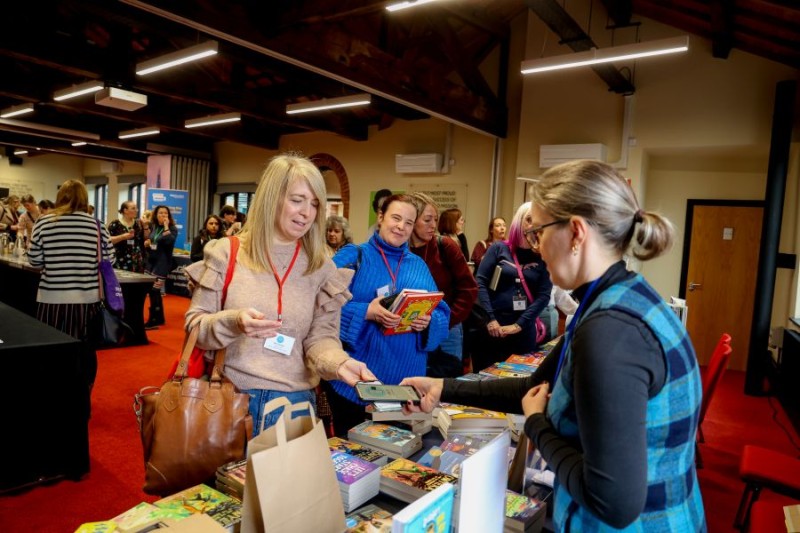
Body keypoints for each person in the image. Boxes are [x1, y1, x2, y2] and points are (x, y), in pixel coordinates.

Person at [402, 160, 705, 532]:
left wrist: (537, 425)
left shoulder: (609, 331)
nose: (537, 247)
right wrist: (442, 387)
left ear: (576, 232)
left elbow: (612, 502)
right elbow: (534, 388)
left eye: (538, 232)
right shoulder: (613, 297)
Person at [184, 153, 375, 436]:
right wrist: (234, 322)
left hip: (295, 406)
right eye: (297, 200)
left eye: (314, 204)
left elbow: (321, 339)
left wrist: (340, 363)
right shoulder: (226, 252)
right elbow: (195, 328)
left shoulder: (322, 267)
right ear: (271, 198)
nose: (307, 212)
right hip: (228, 401)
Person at [327, 193, 450, 436]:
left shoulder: (418, 265)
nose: (401, 227)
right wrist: (365, 311)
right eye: (396, 218)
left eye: (409, 222)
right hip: (356, 386)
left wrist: (428, 322)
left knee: (398, 455)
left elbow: (442, 315)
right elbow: (321, 307)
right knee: (353, 455)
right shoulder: (353, 256)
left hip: (405, 389)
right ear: (381, 217)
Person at [28, 180, 114, 410]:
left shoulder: (44, 222)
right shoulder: (97, 226)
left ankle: (53, 398)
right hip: (87, 302)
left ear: (60, 198)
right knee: (85, 351)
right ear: (85, 198)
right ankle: (82, 398)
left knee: (52, 350)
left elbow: (34, 260)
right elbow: (109, 261)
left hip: (51, 300)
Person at [472, 202, 552, 370]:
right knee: (484, 379)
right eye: (529, 219)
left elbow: (544, 295)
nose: (533, 225)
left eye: (539, 220)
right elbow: (480, 282)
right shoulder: (498, 249)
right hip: (492, 329)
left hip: (523, 330)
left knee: (518, 379)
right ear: (519, 221)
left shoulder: (544, 256)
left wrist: (518, 325)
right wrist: (491, 319)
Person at [408, 192, 477, 378]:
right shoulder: (399, 250)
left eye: (436, 219)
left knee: (446, 384)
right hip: (411, 329)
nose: (433, 225)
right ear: (411, 219)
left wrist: (446, 320)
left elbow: (469, 289)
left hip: (447, 329)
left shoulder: (445, 246)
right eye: (427, 220)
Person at [143, 205, 178, 328]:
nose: (163, 215)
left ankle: (155, 318)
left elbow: (169, 241)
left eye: (165, 213)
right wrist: (148, 243)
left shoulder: (172, 228)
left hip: (162, 263)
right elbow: (152, 240)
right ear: (156, 215)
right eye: (160, 213)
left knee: (155, 290)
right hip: (151, 261)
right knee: (151, 290)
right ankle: (159, 317)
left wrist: (166, 226)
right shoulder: (154, 227)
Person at [107, 201, 146, 272]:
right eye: (133, 208)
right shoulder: (115, 223)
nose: (136, 210)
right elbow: (108, 240)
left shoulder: (138, 223)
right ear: (125, 210)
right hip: (119, 259)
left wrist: (146, 227)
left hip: (136, 261)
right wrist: (123, 237)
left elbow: (144, 238)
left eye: (136, 208)